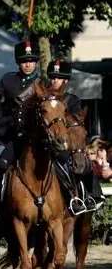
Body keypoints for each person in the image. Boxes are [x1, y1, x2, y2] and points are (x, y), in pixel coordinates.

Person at [0, 42, 86, 226]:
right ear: (18, 62)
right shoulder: (8, 80)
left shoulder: (45, 84)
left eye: (31, 60)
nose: (28, 64)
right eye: (24, 61)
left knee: (61, 164)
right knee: (0, 166)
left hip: (40, 140)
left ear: (36, 63)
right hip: (15, 137)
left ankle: (73, 199)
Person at [48, 60, 106, 210]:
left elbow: (75, 126)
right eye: (53, 77)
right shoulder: (43, 100)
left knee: (79, 162)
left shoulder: (72, 100)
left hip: (67, 144)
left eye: (58, 77)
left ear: (65, 81)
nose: (55, 80)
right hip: (46, 143)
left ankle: (87, 195)